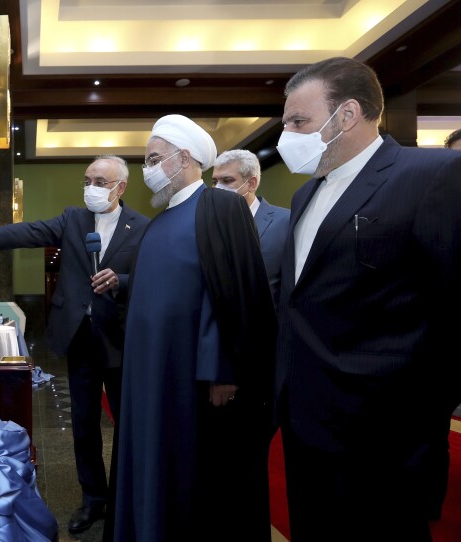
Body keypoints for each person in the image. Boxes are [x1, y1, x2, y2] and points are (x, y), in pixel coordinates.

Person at [274, 56, 461, 541]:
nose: (287, 134)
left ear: (348, 114)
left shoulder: (433, 175)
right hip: (305, 425)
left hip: (384, 441)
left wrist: (427, 420)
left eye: (299, 121)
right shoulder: (303, 196)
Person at [0, 155, 149, 535]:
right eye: (87, 179)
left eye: (100, 181)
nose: (91, 187)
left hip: (122, 338)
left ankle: (124, 495)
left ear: (121, 187)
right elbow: (32, 231)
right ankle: (93, 499)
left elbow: (151, 274)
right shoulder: (73, 218)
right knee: (84, 423)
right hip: (80, 339)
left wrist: (120, 279)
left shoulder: (144, 227)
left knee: (127, 423)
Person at [110, 115, 276, 541]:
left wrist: (223, 372)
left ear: (184, 158)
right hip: (148, 374)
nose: (146, 168)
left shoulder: (221, 207)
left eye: (152, 158)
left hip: (191, 377)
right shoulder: (159, 221)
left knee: (189, 471)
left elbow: (234, 295)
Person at [212, 149, 290, 303]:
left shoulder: (286, 221)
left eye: (227, 181)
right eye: (215, 182)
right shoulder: (207, 224)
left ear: (251, 184)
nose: (217, 188)